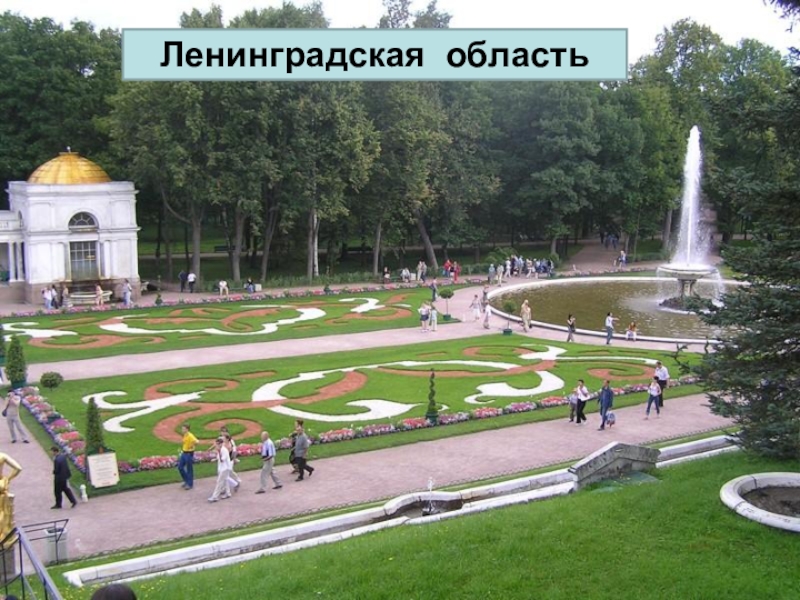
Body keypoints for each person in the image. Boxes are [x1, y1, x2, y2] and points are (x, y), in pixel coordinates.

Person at [0, 452, 22, 542]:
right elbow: (18, 468)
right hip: (1, 485)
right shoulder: (2, 456)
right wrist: (8, 478)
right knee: (3, 511)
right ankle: (4, 534)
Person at [208, 438, 232, 502]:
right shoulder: (221, 449)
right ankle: (228, 493)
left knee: (219, 482)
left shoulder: (223, 450)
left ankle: (215, 497)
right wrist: (215, 459)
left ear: (221, 444)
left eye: (218, 444)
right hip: (223, 468)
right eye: (216, 444)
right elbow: (219, 458)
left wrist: (218, 451)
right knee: (225, 481)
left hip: (224, 468)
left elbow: (222, 460)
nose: (216, 445)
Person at [177, 424, 198, 490]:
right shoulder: (185, 435)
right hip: (184, 453)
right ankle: (187, 480)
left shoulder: (190, 435)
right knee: (180, 467)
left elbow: (197, 442)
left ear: (187, 429)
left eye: (183, 429)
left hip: (189, 453)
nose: (182, 430)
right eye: (182, 429)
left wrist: (192, 446)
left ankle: (190, 484)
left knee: (189, 469)